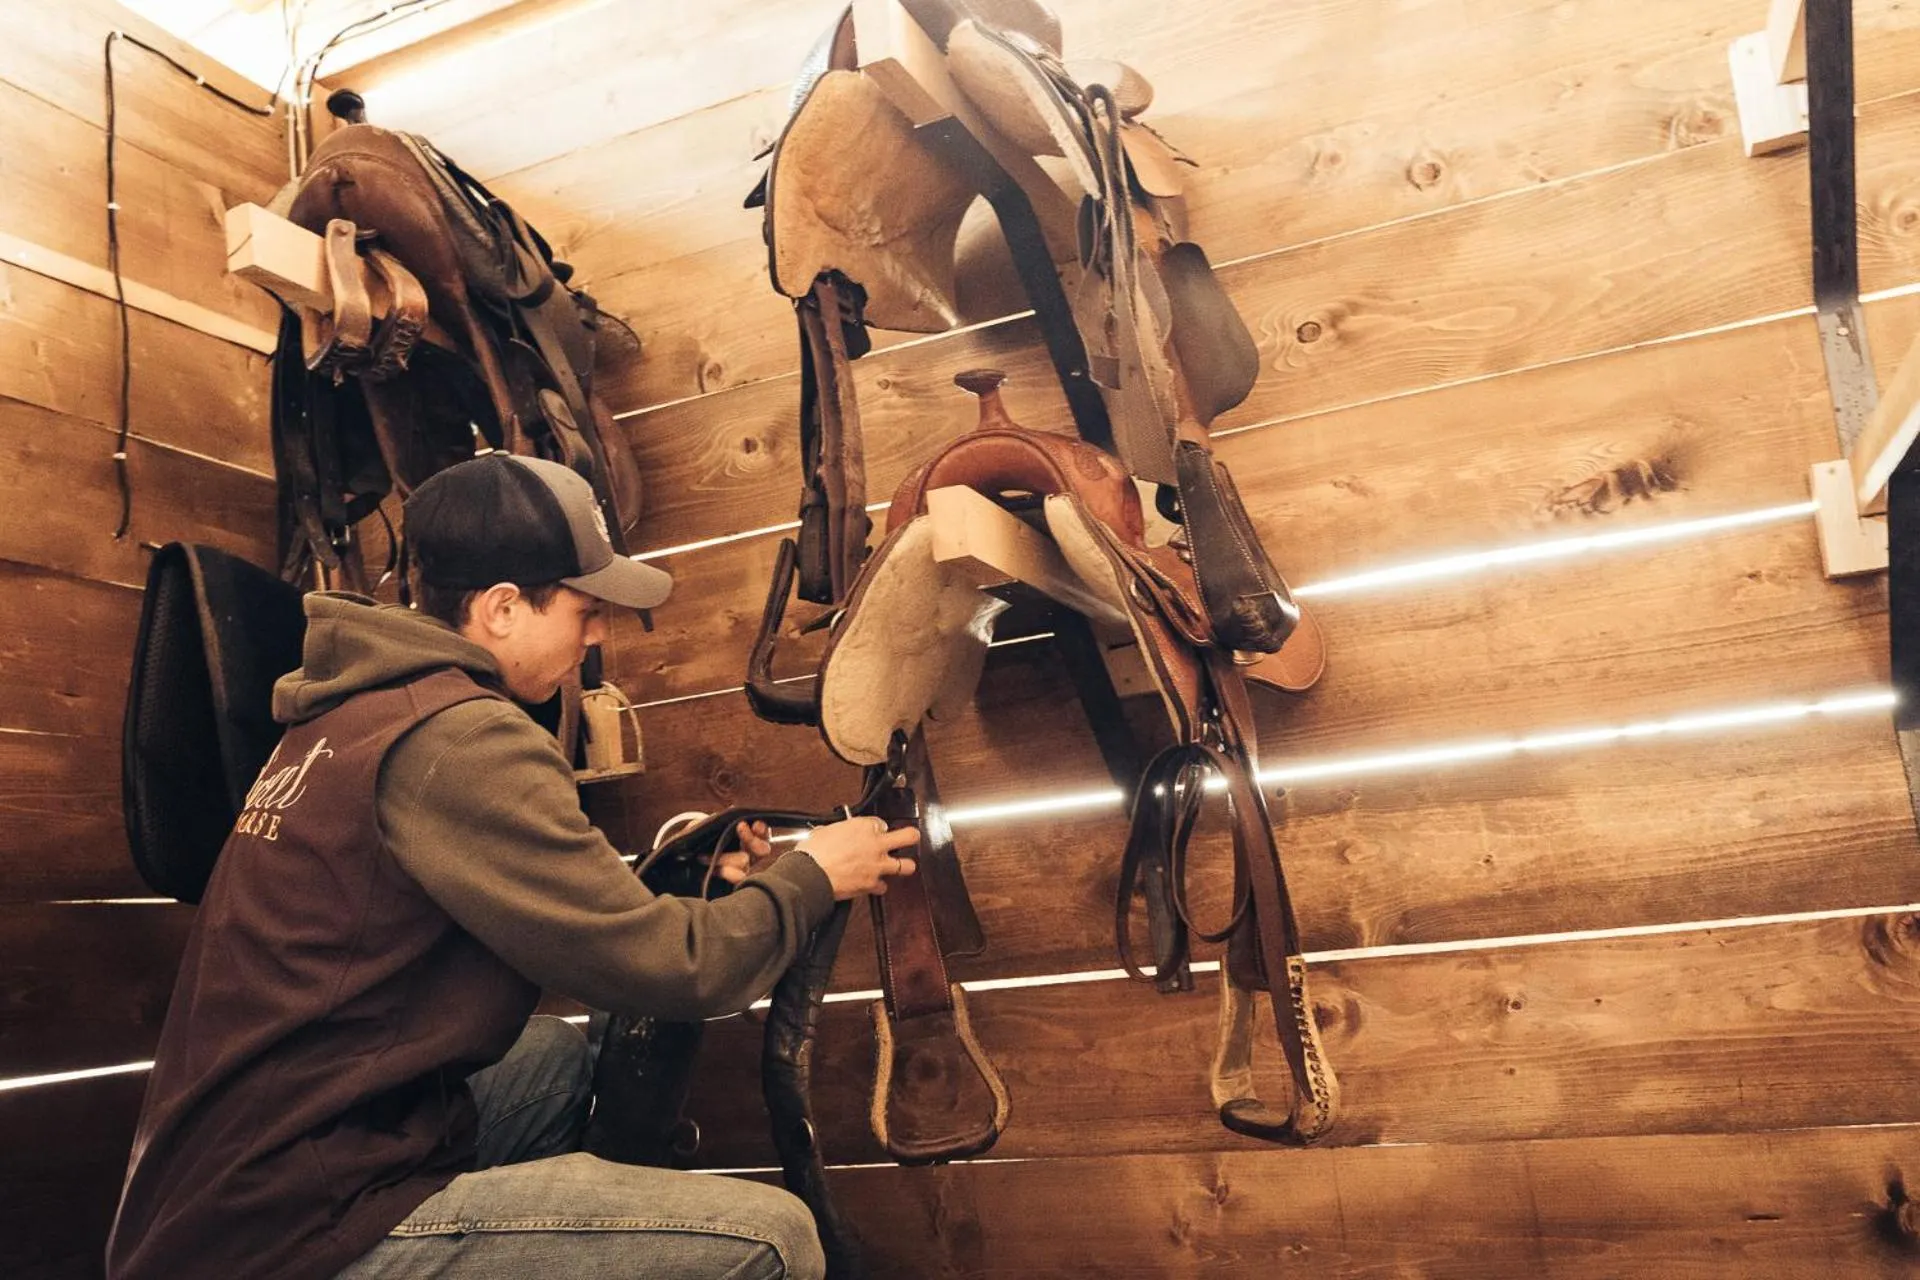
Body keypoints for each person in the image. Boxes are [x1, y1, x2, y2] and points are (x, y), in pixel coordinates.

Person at [105, 454, 920, 1280]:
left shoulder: (350, 714)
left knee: (551, 1064)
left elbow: (542, 905)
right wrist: (815, 875)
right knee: (772, 1240)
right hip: (287, 1231)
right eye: (584, 609)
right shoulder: (464, 736)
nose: (596, 635)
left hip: (221, 1186)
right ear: (501, 609)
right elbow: (678, 969)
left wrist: (677, 880)